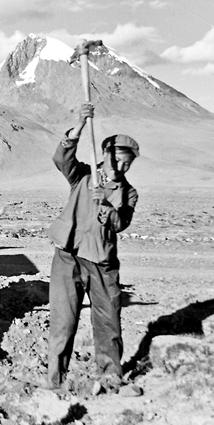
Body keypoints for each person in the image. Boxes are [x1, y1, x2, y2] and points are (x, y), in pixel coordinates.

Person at [46, 103, 140, 392]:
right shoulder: (83, 176)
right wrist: (80, 125)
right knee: (62, 321)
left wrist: (106, 204)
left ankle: (111, 376)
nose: (120, 168)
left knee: (108, 321)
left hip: (101, 262)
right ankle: (55, 382)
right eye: (117, 161)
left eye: (127, 164)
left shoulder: (129, 193)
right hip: (68, 256)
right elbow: (61, 157)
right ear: (105, 155)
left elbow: (120, 223)